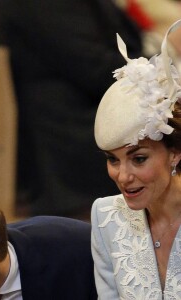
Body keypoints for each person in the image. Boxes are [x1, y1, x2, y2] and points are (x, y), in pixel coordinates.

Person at [0, 0, 144, 218]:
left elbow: (125, 41)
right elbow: (98, 69)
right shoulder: (41, 6)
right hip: (67, 143)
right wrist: (164, 65)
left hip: (88, 116)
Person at [91, 19, 181, 298]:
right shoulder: (106, 218)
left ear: (174, 153)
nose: (122, 176)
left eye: (138, 159)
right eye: (113, 160)